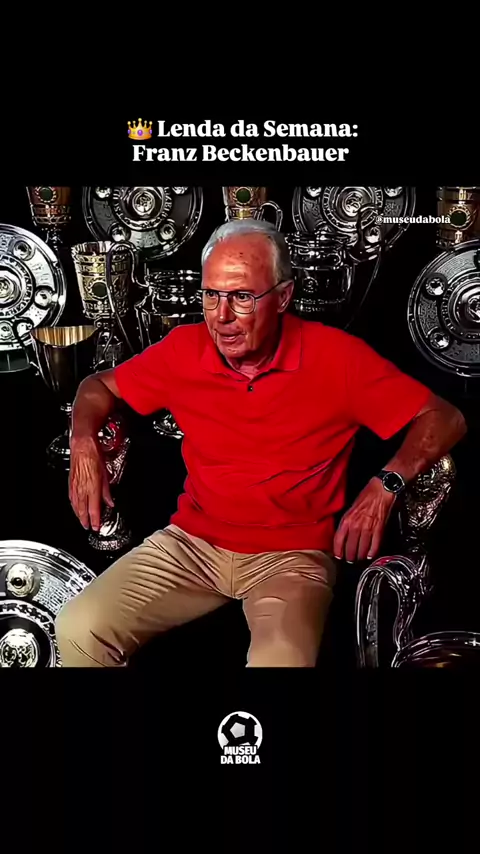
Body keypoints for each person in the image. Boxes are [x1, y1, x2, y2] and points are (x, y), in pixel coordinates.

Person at [55, 219, 467, 667]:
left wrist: (385, 484)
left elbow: (446, 417)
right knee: (79, 626)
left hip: (292, 556)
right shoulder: (184, 349)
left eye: (242, 297)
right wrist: (83, 442)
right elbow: (99, 386)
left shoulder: (338, 358)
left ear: (284, 297)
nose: (221, 316)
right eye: (211, 295)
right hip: (192, 543)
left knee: (282, 662)